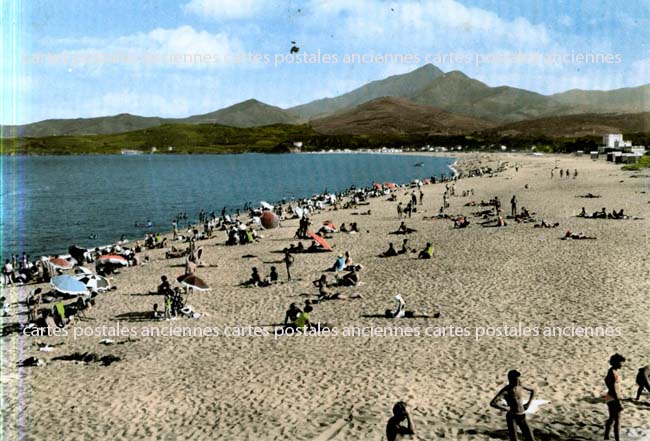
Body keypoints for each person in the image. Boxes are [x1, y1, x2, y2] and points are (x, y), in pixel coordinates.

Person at [490, 370, 536, 441]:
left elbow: (533, 390)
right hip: (512, 417)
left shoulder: (520, 386)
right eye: (516, 379)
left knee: (531, 438)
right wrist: (505, 408)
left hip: (522, 415)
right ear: (510, 379)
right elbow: (493, 403)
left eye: (519, 378)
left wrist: (528, 403)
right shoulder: (506, 390)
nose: (518, 380)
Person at [604, 353, 625, 441]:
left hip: (610, 397)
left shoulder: (612, 371)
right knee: (618, 419)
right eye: (621, 362)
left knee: (612, 418)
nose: (622, 364)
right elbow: (614, 389)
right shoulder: (613, 373)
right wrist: (618, 401)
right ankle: (617, 439)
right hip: (613, 397)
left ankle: (606, 437)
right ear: (616, 362)